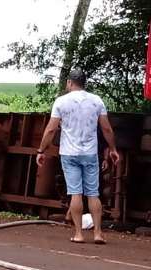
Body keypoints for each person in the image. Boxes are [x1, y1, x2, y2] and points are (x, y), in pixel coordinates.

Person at [36, 68, 119, 244]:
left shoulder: (61, 102)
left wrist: (41, 150)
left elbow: (51, 129)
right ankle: (97, 233)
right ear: (84, 82)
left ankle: (79, 234)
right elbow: (106, 128)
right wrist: (112, 149)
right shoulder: (96, 101)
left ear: (70, 82)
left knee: (75, 193)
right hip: (90, 153)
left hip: (69, 153)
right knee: (93, 193)